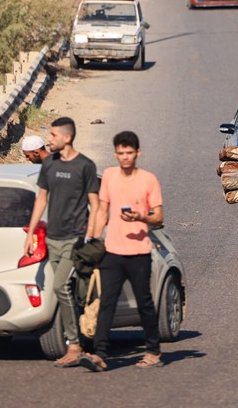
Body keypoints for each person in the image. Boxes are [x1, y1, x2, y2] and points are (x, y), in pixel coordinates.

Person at [79, 131, 164, 372]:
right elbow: (102, 210)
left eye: (129, 153)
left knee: (144, 303)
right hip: (112, 252)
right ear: (115, 153)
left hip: (139, 252)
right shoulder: (108, 175)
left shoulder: (149, 179)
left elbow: (158, 217)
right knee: (107, 302)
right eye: (120, 153)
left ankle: (153, 350)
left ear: (138, 153)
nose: (124, 157)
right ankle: (100, 354)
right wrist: (92, 240)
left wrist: (139, 216)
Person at [23, 117, 100, 367]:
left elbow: (95, 204)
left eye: (54, 135)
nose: (50, 139)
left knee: (59, 287)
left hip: (75, 238)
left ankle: (74, 344)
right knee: (71, 291)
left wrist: (90, 237)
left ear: (67, 138)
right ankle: (86, 335)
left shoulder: (85, 166)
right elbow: (41, 199)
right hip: (53, 238)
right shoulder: (49, 166)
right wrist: (31, 232)